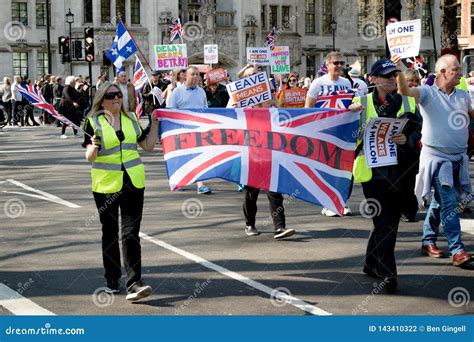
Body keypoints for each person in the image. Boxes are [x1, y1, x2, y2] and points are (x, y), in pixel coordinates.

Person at [83, 82, 159, 301]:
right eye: (111, 96)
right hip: (106, 185)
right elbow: (89, 157)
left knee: (131, 233)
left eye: (119, 95)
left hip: (133, 182)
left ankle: (135, 282)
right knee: (110, 233)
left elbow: (148, 146)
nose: (116, 99)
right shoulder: (92, 122)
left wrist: (154, 125)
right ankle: (112, 278)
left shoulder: (131, 119)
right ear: (101, 99)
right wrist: (94, 146)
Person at [395, 54, 473, 267]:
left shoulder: (464, 96)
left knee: (439, 202)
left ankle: (428, 239)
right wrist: (400, 69)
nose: (460, 73)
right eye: (456, 69)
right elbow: (404, 91)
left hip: (459, 157)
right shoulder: (427, 93)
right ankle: (457, 250)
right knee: (449, 202)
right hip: (438, 159)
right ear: (443, 72)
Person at [350, 58, 418, 293]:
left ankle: (371, 262)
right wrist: (349, 116)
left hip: (400, 173)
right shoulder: (359, 102)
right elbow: (347, 135)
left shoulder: (407, 101)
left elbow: (417, 131)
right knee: (385, 222)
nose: (391, 79)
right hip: (372, 173)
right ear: (373, 79)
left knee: (387, 222)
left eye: (394, 75)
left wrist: (406, 140)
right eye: (386, 75)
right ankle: (388, 274)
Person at [232, 65, 295, 239]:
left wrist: (273, 104)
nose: (254, 77)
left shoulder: (269, 96)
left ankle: (279, 227)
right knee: (251, 193)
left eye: (256, 74)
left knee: (274, 190)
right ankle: (249, 224)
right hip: (249, 150)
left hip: (269, 149)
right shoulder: (236, 99)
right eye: (250, 75)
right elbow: (229, 120)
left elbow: (280, 115)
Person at [305, 51, 352, 217]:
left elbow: (351, 104)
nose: (339, 66)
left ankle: (341, 202)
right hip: (323, 131)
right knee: (326, 168)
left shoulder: (346, 83)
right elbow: (308, 108)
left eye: (341, 63)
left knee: (342, 168)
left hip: (342, 131)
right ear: (327, 65)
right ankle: (327, 204)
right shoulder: (318, 83)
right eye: (336, 63)